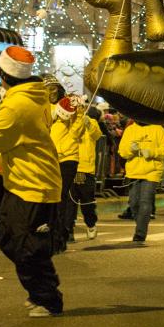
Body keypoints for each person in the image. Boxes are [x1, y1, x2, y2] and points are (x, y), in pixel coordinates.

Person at [0, 47, 62, 315]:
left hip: (34, 183)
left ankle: (48, 297)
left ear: (2, 74)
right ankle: (42, 291)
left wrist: (0, 112)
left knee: (26, 246)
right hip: (20, 181)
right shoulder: (32, 96)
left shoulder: (18, 105)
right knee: (7, 237)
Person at [118, 114, 164, 244]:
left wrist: (151, 152)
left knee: (145, 202)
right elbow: (122, 152)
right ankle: (141, 223)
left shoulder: (158, 129)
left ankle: (140, 233)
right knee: (134, 203)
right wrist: (131, 149)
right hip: (133, 172)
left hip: (152, 172)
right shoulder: (130, 130)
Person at [50, 96, 87, 252]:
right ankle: (55, 235)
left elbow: (76, 133)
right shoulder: (53, 122)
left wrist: (79, 113)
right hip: (53, 161)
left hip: (68, 162)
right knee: (54, 199)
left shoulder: (76, 123)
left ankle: (61, 236)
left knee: (61, 198)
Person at [73, 106, 103, 243]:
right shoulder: (65, 121)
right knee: (68, 202)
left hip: (84, 168)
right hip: (67, 166)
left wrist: (88, 123)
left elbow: (96, 135)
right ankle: (67, 230)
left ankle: (91, 224)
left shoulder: (91, 121)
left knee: (87, 202)